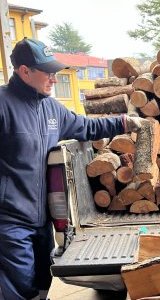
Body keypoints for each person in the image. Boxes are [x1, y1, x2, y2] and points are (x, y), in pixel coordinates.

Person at [0, 38, 144, 300]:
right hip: (9, 221)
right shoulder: (2, 105)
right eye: (48, 73)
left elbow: (87, 127)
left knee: (43, 280)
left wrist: (124, 123)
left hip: (40, 220)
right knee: (19, 287)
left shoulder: (52, 109)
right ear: (24, 71)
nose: (54, 79)